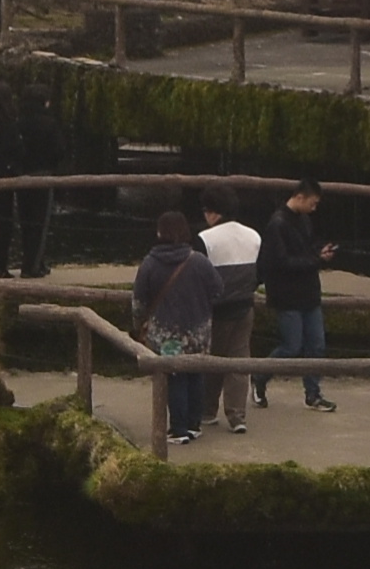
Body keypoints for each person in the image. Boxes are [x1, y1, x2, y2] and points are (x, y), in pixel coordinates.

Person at [135, 208, 218, 450]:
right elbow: (217, 289)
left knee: (175, 378)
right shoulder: (199, 261)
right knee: (196, 374)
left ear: (160, 232)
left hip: (166, 334)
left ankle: (179, 428)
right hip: (198, 331)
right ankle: (194, 424)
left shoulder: (150, 263)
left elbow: (139, 301)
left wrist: (138, 325)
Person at [255, 187, 334, 415]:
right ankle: (259, 376)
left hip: (309, 292)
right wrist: (314, 260)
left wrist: (320, 252)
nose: (314, 208)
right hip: (287, 294)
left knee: (316, 345)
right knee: (291, 346)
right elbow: (280, 262)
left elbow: (307, 248)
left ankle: (313, 393)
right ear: (300, 196)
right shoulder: (277, 225)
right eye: (312, 202)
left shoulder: (304, 220)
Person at [197, 201, 263, 429]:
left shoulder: (205, 238)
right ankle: (237, 416)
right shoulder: (254, 236)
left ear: (213, 212)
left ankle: (207, 410)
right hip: (245, 306)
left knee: (213, 360)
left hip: (217, 309)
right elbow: (260, 272)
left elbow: (200, 276)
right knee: (239, 361)